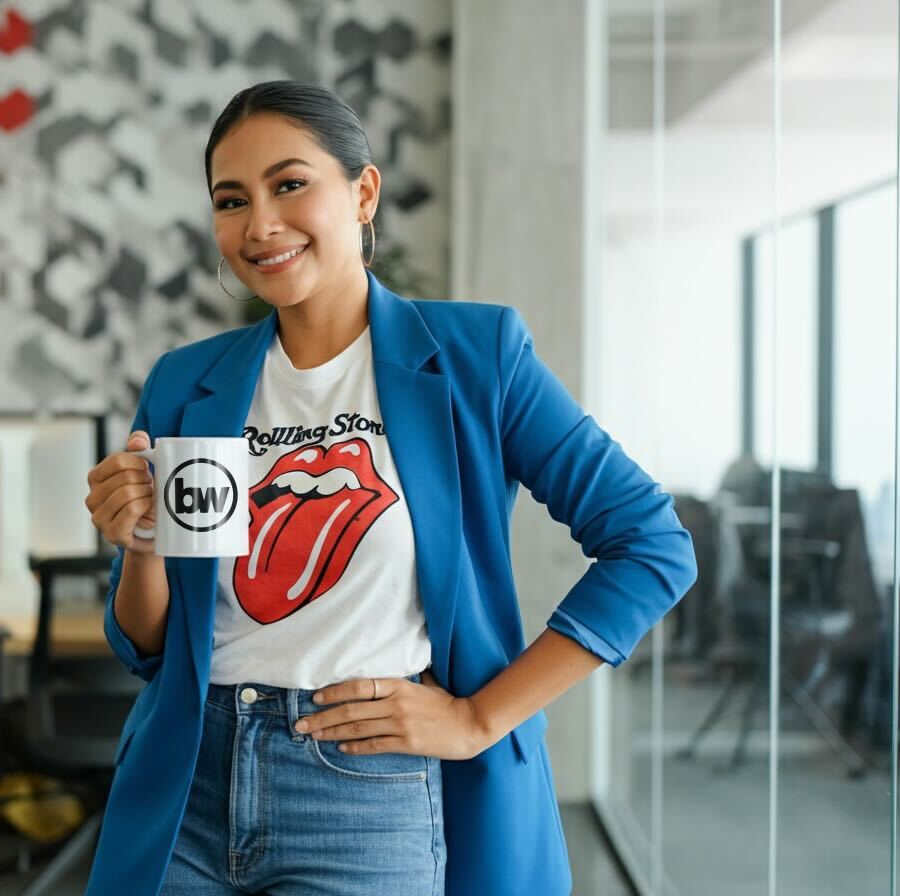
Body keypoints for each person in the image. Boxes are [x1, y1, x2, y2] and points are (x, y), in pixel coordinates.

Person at [82, 80, 697, 896]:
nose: (259, 224)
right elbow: (149, 644)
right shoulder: (188, 382)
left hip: (364, 792)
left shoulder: (477, 356)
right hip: (189, 782)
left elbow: (652, 546)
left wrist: (478, 719)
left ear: (363, 192)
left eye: (289, 184)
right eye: (232, 201)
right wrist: (141, 545)